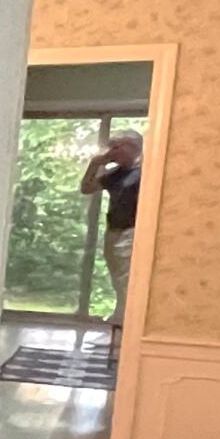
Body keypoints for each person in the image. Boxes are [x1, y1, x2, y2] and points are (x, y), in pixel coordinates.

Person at [81, 130, 143, 326]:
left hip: (133, 231)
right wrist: (96, 163)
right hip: (113, 230)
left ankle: (126, 324)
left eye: (117, 148)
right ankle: (120, 321)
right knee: (117, 278)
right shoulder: (116, 174)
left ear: (133, 148)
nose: (113, 153)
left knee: (127, 279)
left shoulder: (145, 171)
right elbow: (86, 188)